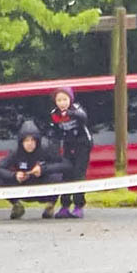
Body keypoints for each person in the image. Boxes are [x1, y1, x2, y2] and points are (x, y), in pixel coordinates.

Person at [0, 120, 70, 219]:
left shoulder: (46, 149)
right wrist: (14, 175)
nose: (30, 144)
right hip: (23, 185)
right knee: (0, 181)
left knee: (58, 176)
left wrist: (43, 169)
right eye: (26, 140)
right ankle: (17, 206)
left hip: (43, 185)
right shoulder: (16, 152)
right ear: (21, 142)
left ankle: (50, 205)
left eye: (33, 140)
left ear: (37, 141)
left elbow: (66, 165)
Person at [46, 85, 92, 218]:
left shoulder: (76, 108)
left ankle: (79, 205)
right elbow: (55, 130)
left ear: (70, 99)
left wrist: (70, 113)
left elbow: (84, 117)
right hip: (68, 145)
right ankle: (65, 205)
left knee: (79, 174)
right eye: (59, 100)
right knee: (66, 174)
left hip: (83, 145)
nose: (62, 103)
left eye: (64, 99)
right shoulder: (54, 113)